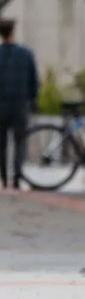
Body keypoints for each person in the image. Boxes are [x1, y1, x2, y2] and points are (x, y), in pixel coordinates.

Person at [0, 19, 38, 190]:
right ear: (13, 32)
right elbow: (33, 80)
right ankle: (17, 176)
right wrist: (32, 99)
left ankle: (3, 176)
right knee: (20, 142)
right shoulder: (25, 54)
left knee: (1, 143)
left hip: (1, 105)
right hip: (20, 104)